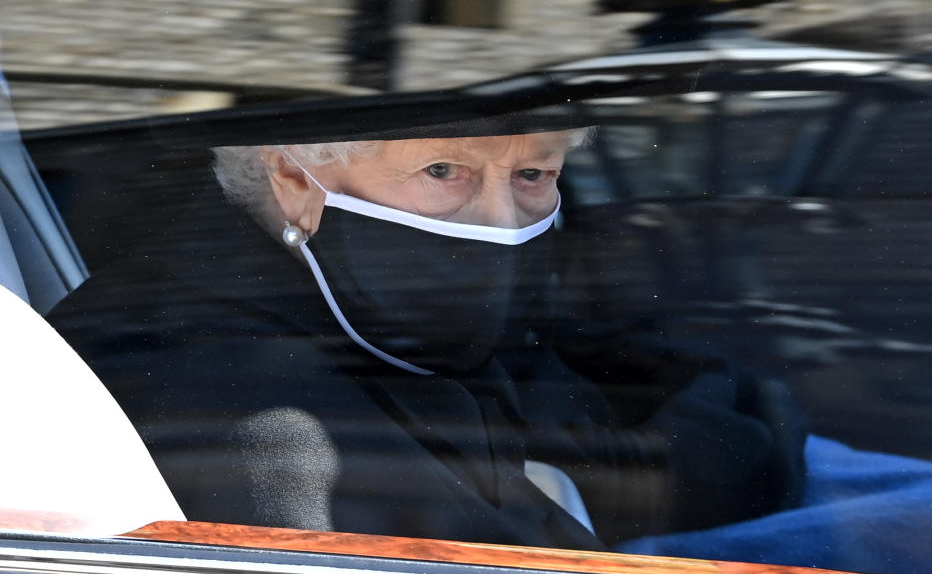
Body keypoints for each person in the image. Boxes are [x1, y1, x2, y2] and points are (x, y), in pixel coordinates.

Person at [47, 122, 807, 551]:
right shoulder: (220, 399)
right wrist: (584, 486)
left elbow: (733, 402)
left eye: (535, 175)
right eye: (445, 169)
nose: (504, 223)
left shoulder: (375, 303)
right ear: (291, 179)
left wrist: (571, 482)